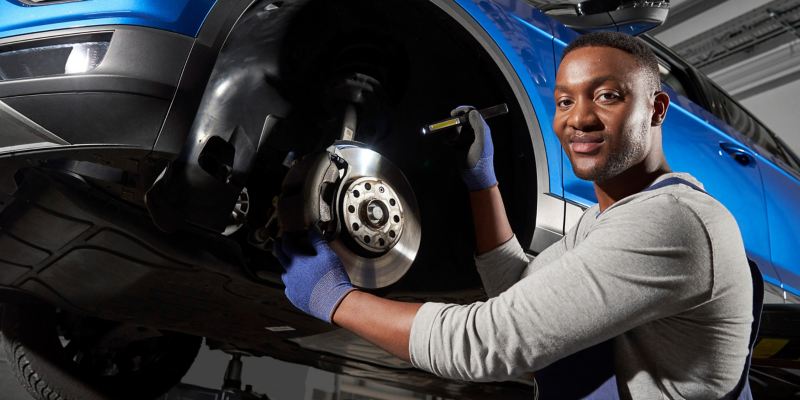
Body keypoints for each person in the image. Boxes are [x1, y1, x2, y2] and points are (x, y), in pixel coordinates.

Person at [275, 32, 754, 399]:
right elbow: (520, 294)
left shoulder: (675, 222)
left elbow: (491, 342)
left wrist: (333, 298)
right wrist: (482, 182)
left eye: (607, 96)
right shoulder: (601, 222)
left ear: (657, 108)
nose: (578, 118)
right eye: (565, 100)